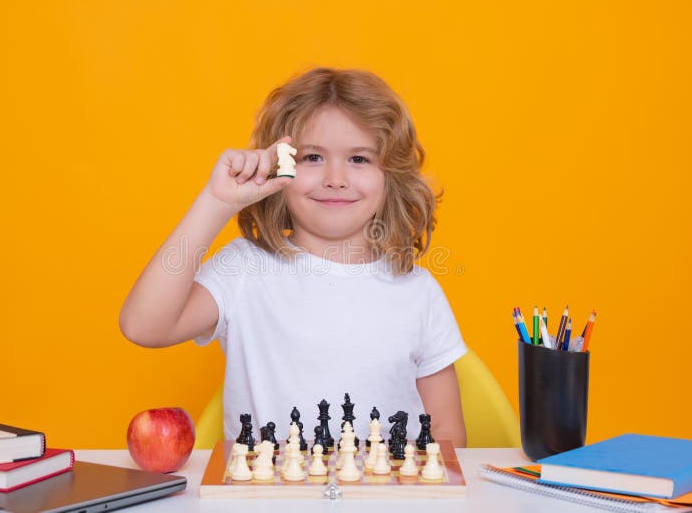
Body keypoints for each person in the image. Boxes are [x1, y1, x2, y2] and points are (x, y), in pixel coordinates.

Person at [119, 67, 468, 447]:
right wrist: (215, 204)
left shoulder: (419, 290)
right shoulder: (243, 269)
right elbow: (143, 326)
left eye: (360, 159)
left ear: (391, 176)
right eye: (313, 157)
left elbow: (448, 434)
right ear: (277, 169)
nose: (336, 178)